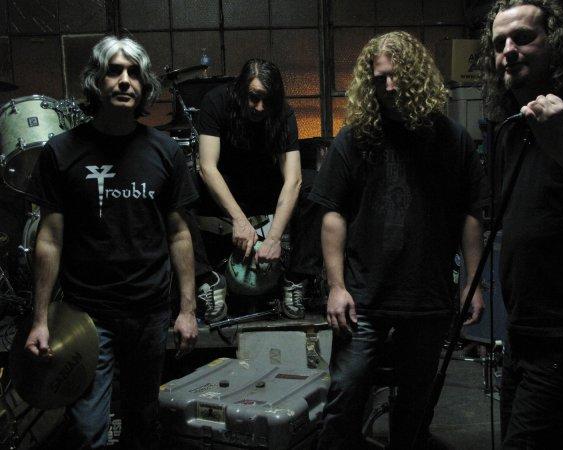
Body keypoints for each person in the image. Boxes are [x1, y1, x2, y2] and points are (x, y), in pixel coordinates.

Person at [310, 31, 488, 449]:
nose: (389, 86)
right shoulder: (356, 138)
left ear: (417, 77)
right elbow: (332, 213)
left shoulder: (452, 139)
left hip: (428, 299)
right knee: (345, 398)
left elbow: (471, 214)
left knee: (416, 407)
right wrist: (336, 286)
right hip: (363, 299)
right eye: (380, 79)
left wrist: (473, 282)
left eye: (397, 76)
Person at [23, 36, 198, 449]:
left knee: (143, 422)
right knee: (87, 429)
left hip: (149, 310)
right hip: (86, 315)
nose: (124, 81)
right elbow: (49, 239)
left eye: (133, 73)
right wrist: (40, 319)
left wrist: (188, 310)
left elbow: (179, 234)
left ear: (144, 86)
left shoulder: (165, 152)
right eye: (114, 71)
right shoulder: (61, 152)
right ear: (95, 82)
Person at [480, 1, 563, 448]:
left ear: (557, 45)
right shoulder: (515, 126)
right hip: (522, 335)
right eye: (499, 44)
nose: (508, 50)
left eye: (523, 38)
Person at [194, 58, 321, 322]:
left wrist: (273, 238)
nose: (260, 107)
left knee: (314, 186)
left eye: (267, 100)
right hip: (226, 189)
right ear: (241, 89)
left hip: (265, 187)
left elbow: (293, 180)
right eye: (254, 98)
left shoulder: (283, 113)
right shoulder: (216, 101)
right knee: (183, 187)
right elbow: (207, 167)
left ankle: (296, 279)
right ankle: (208, 280)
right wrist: (239, 220)